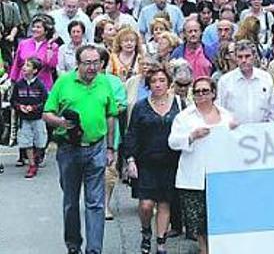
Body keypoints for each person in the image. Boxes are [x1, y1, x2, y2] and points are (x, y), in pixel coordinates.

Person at [43, 45, 118, 254]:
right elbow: (47, 113)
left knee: (95, 203)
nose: (93, 67)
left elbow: (111, 114)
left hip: (96, 148)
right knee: (71, 202)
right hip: (69, 150)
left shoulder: (104, 82)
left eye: (97, 62)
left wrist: (111, 148)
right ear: (78, 63)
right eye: (88, 63)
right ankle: (73, 245)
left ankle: (94, 250)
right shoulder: (64, 82)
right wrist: (60, 122)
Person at [168, 77, 237, 254]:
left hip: (220, 173)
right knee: (198, 220)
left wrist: (236, 130)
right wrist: (191, 136)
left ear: (213, 93)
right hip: (193, 174)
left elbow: (236, 142)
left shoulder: (226, 116)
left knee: (219, 217)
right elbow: (173, 142)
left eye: (205, 91)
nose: (201, 95)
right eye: (197, 91)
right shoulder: (184, 117)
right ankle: (203, 249)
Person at [123, 66, 183, 254]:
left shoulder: (179, 104)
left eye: (162, 80)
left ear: (168, 83)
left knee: (165, 202)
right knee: (146, 204)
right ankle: (146, 231)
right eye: (154, 81)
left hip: (170, 161)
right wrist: (130, 160)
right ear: (149, 85)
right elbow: (131, 133)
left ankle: (161, 242)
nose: (158, 84)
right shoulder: (141, 106)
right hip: (146, 161)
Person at [216, 40, 274, 124]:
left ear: (254, 56)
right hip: (235, 133)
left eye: (247, 56)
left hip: (262, 131)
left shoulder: (266, 78)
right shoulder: (225, 81)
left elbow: (273, 109)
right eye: (240, 57)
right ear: (235, 58)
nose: (244, 60)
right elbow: (220, 109)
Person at [10, 57, 48, 179]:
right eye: (24, 65)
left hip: (38, 118)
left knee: (40, 142)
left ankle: (37, 157)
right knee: (26, 141)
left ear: (35, 70)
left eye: (28, 65)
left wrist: (35, 107)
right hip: (25, 119)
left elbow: (45, 101)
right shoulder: (19, 84)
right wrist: (19, 106)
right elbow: (13, 100)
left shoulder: (40, 85)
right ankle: (31, 165)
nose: (24, 67)